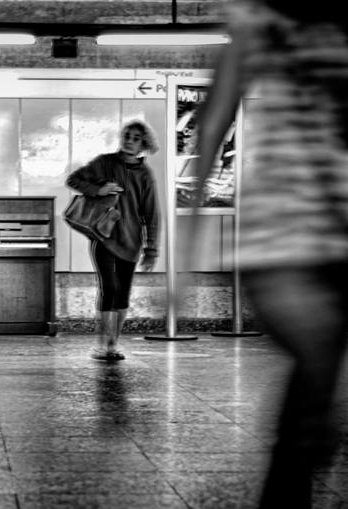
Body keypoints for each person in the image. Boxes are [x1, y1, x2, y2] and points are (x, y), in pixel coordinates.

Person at [188, 1, 348, 507]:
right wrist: (187, 226)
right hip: (281, 239)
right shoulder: (257, 21)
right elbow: (213, 120)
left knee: (319, 375)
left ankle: (297, 469)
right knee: (320, 358)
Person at [66, 120, 160, 361]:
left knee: (123, 293)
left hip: (131, 241)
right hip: (104, 236)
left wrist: (152, 250)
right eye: (127, 135)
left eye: (136, 137)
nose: (129, 140)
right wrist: (99, 190)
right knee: (109, 287)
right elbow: (74, 180)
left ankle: (113, 343)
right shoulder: (105, 163)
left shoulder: (145, 175)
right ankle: (104, 345)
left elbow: (151, 213)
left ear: (144, 144)